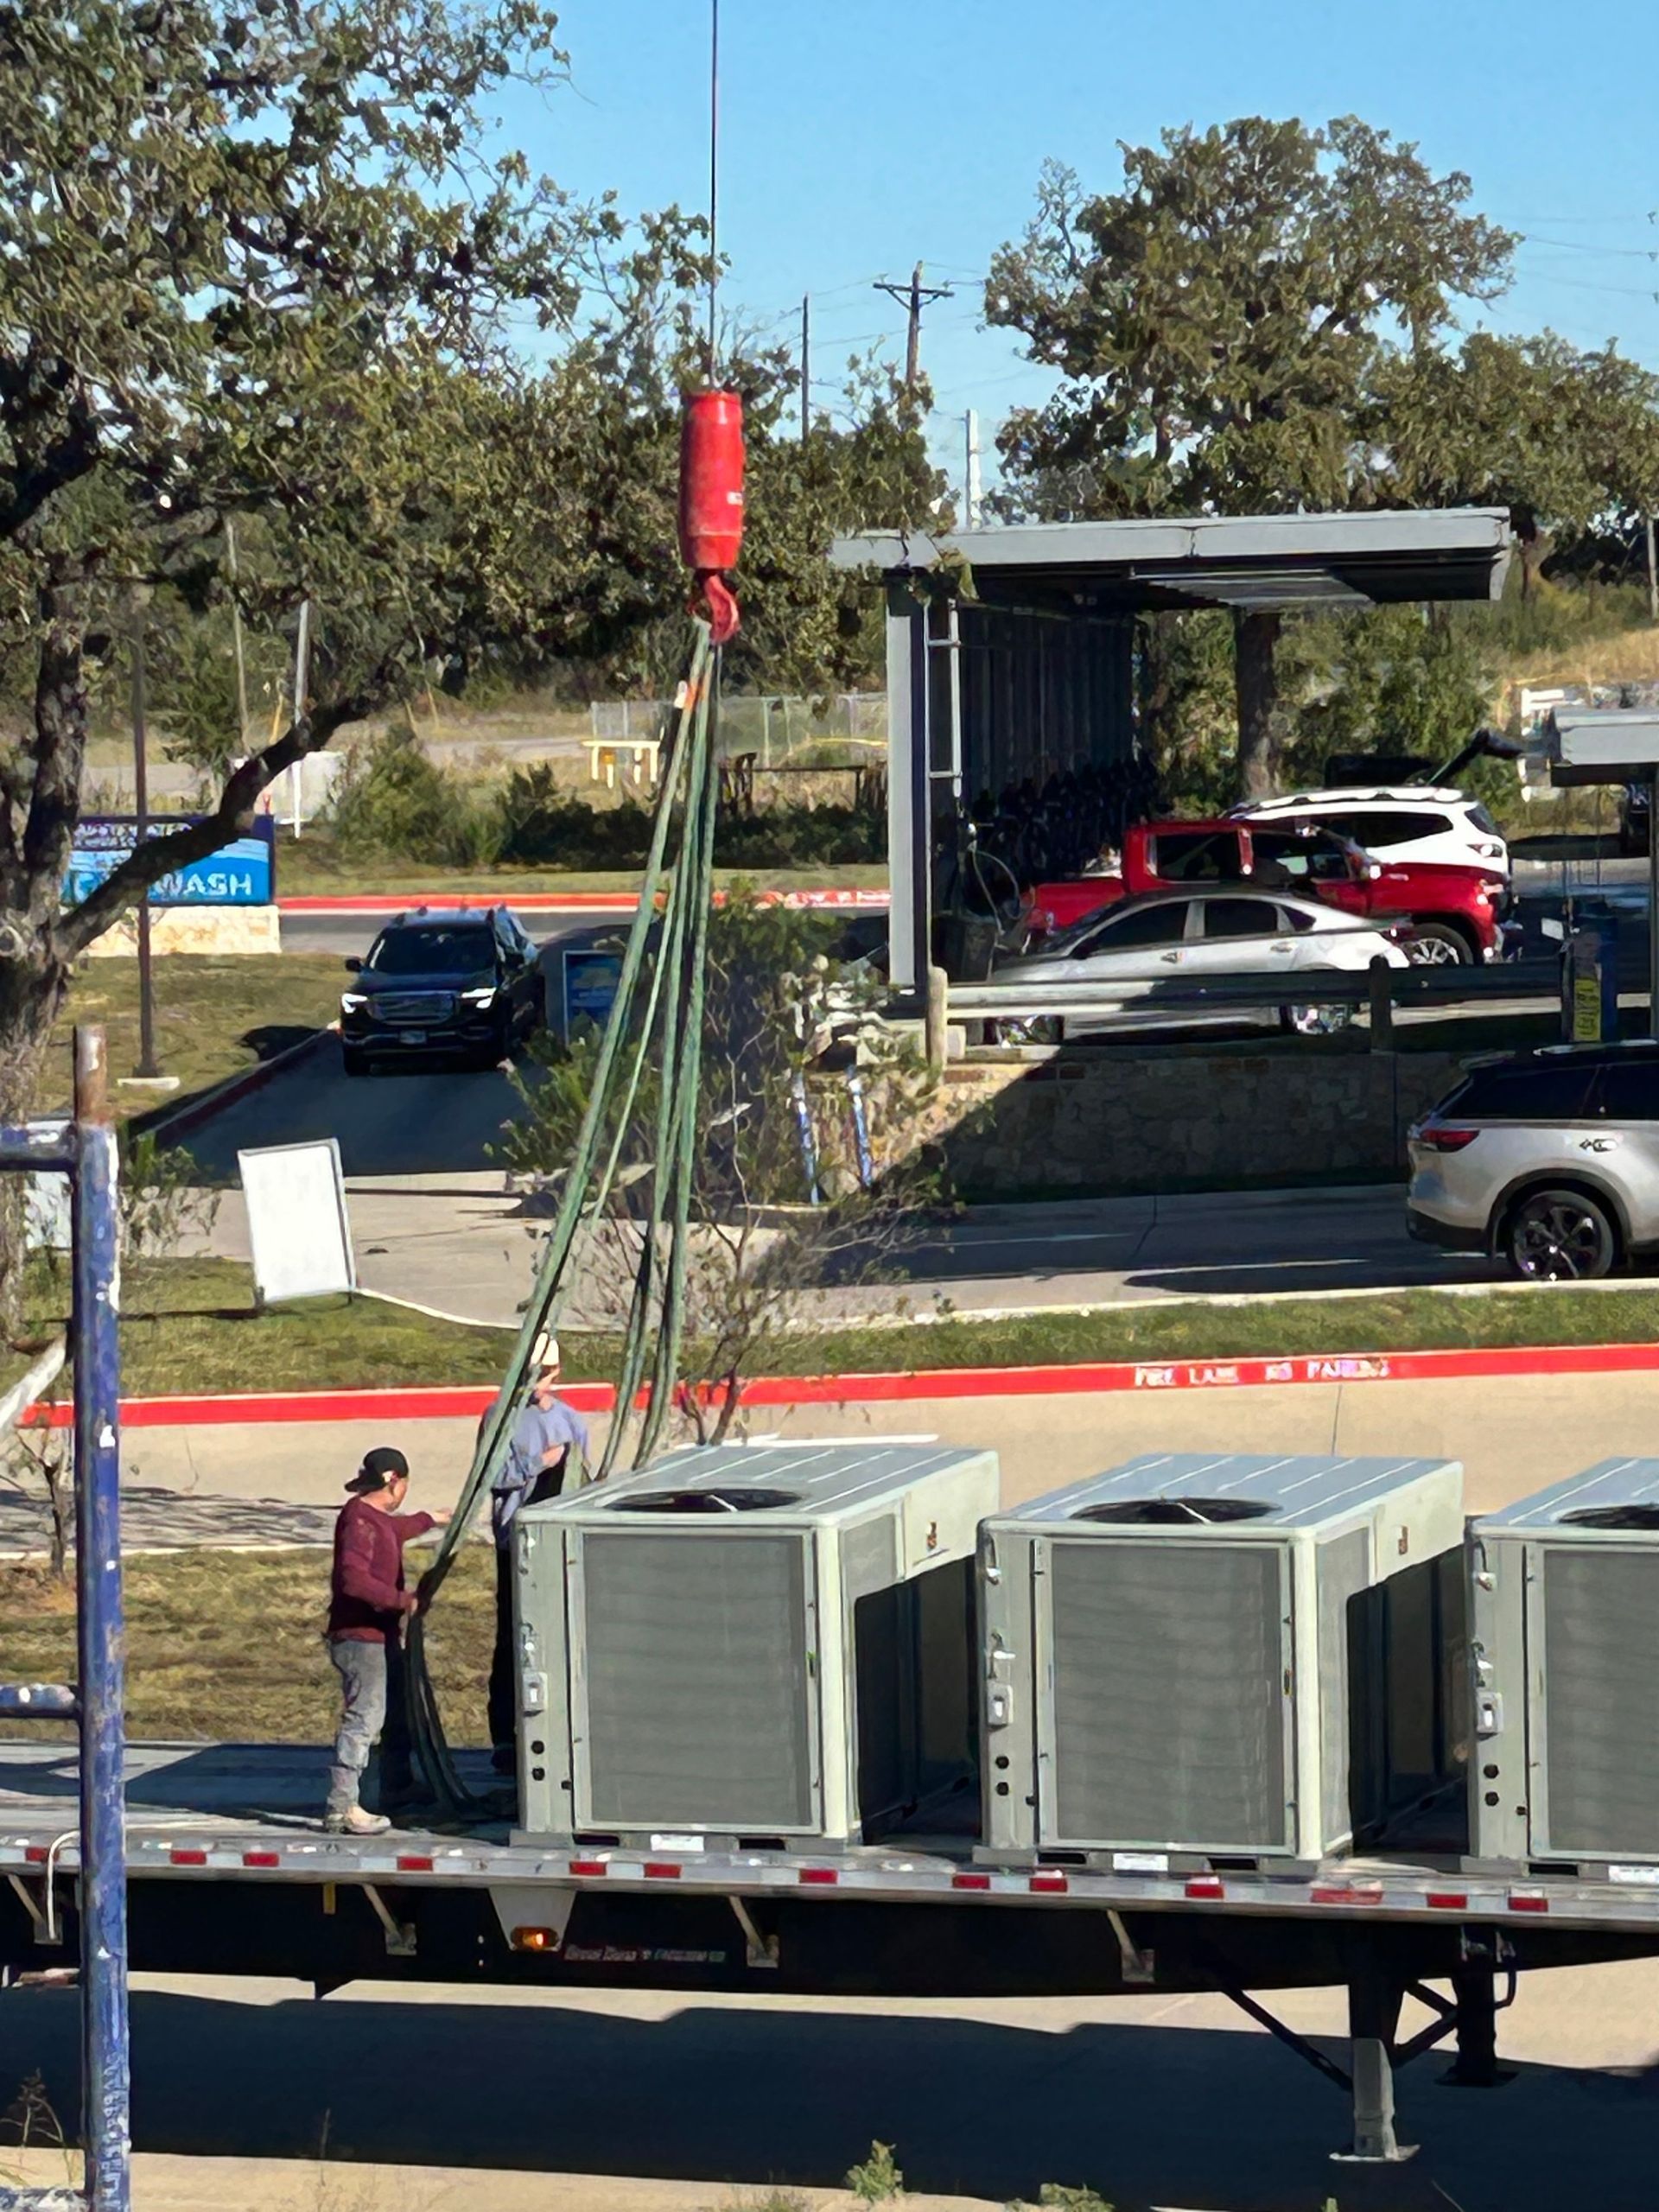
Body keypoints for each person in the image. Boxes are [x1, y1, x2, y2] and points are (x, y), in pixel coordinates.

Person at [325, 1444, 451, 1835]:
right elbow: (353, 1580)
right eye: (406, 1486)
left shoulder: (374, 1518)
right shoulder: (358, 1524)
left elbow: (398, 1529)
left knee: (396, 1712)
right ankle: (341, 1806)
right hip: (362, 1639)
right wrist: (403, 1601)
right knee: (365, 1718)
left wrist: (434, 1518)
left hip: (382, 1635)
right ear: (394, 1482)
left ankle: (396, 1786)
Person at [486, 1339, 590, 1770]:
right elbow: (492, 1475)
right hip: (517, 1541)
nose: (536, 1382)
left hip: (561, 1546)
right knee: (514, 1637)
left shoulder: (570, 1419)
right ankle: (506, 1738)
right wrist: (538, 1464)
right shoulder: (501, 1417)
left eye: (543, 1373)